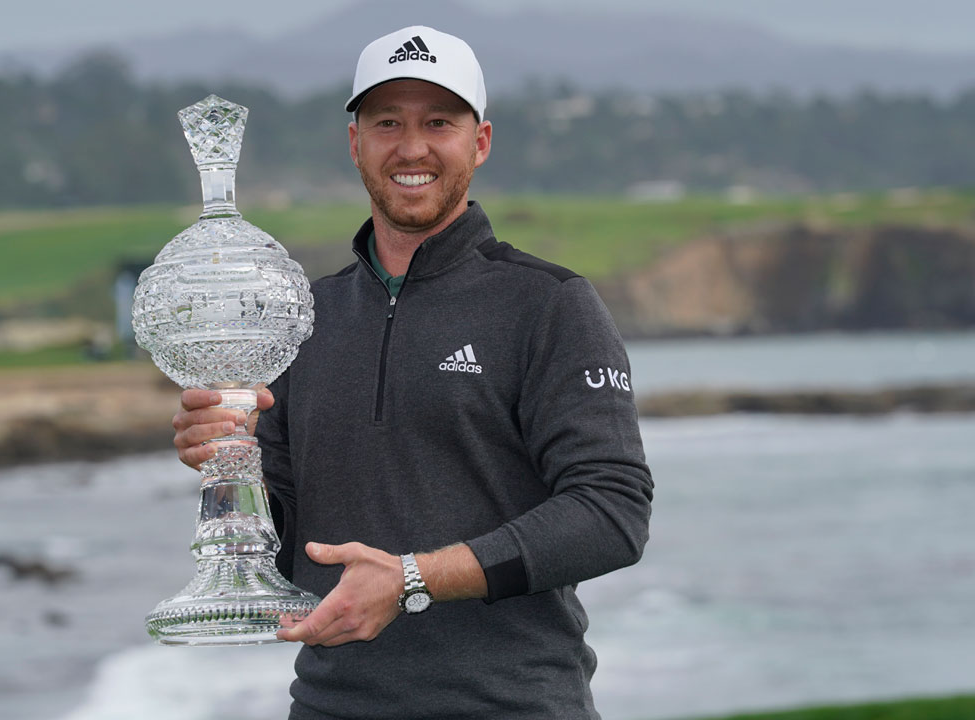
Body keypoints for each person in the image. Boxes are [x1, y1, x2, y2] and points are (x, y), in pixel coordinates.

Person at [172, 25, 653, 720]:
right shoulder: (303, 317)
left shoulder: (548, 305)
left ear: (480, 141)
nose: (412, 147)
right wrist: (227, 467)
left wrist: (412, 580)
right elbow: (281, 553)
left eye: (438, 122)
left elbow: (612, 513)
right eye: (387, 122)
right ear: (356, 143)